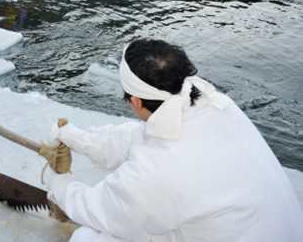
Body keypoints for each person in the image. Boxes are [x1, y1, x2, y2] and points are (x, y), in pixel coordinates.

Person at [45, 39, 303, 242]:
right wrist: (81, 139)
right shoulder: (213, 104)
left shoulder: (160, 166)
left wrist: (62, 185)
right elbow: (138, 137)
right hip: (277, 232)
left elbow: (106, 211)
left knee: (87, 237)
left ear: (135, 101)